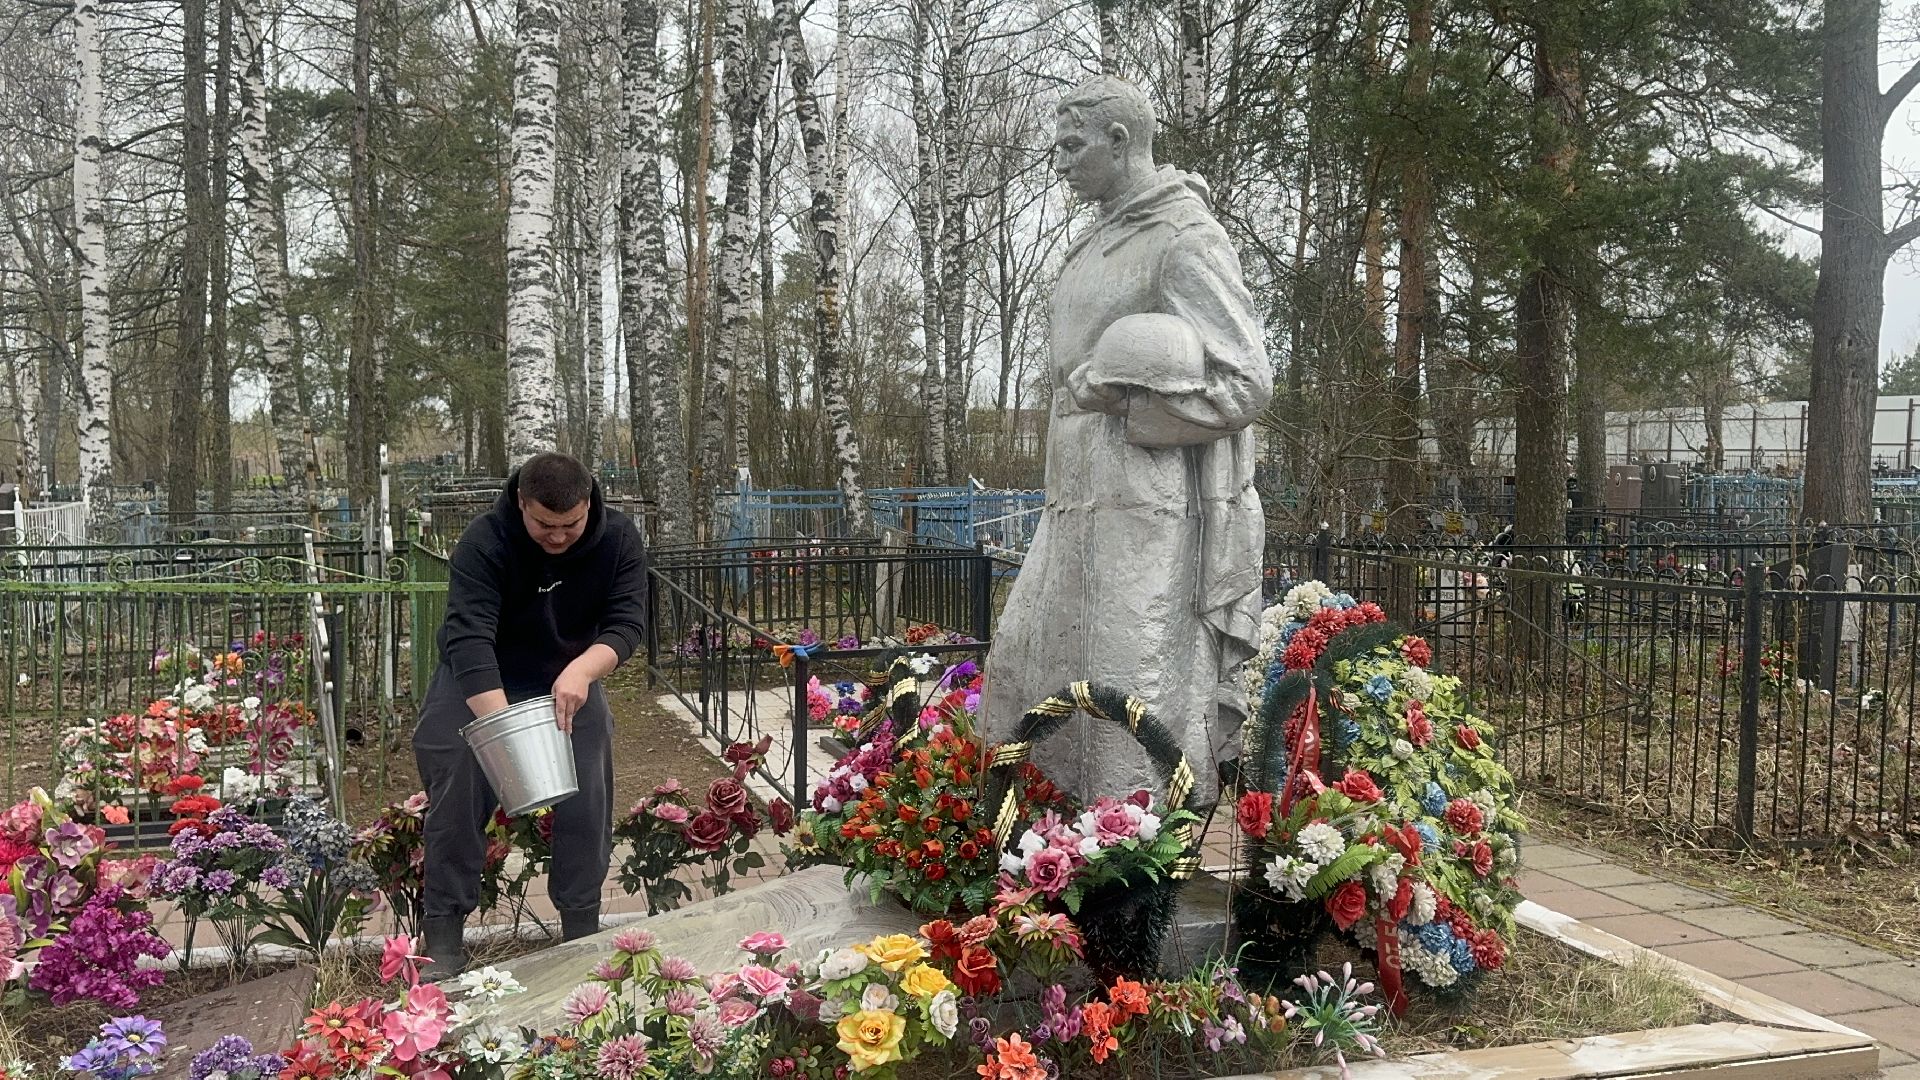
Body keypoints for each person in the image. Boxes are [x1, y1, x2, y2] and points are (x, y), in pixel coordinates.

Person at [981, 76, 1270, 806]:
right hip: (1070, 504)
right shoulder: (1097, 241)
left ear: (1120, 141)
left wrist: (1135, 404)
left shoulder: (1184, 239)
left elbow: (1246, 383)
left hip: (1147, 517)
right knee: (1024, 668)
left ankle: (1134, 862)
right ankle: (1046, 850)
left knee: (1127, 694)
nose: (1058, 161)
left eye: (1072, 144)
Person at [413, 452, 648, 980]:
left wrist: (584, 670)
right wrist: (504, 740)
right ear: (521, 502)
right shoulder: (484, 540)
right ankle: (444, 934)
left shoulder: (619, 540)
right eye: (545, 524)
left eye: (571, 524)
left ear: (589, 504)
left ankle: (580, 925)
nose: (559, 537)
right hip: (479, 676)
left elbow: (628, 623)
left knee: (587, 786)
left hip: (568, 678)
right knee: (456, 772)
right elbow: (469, 637)